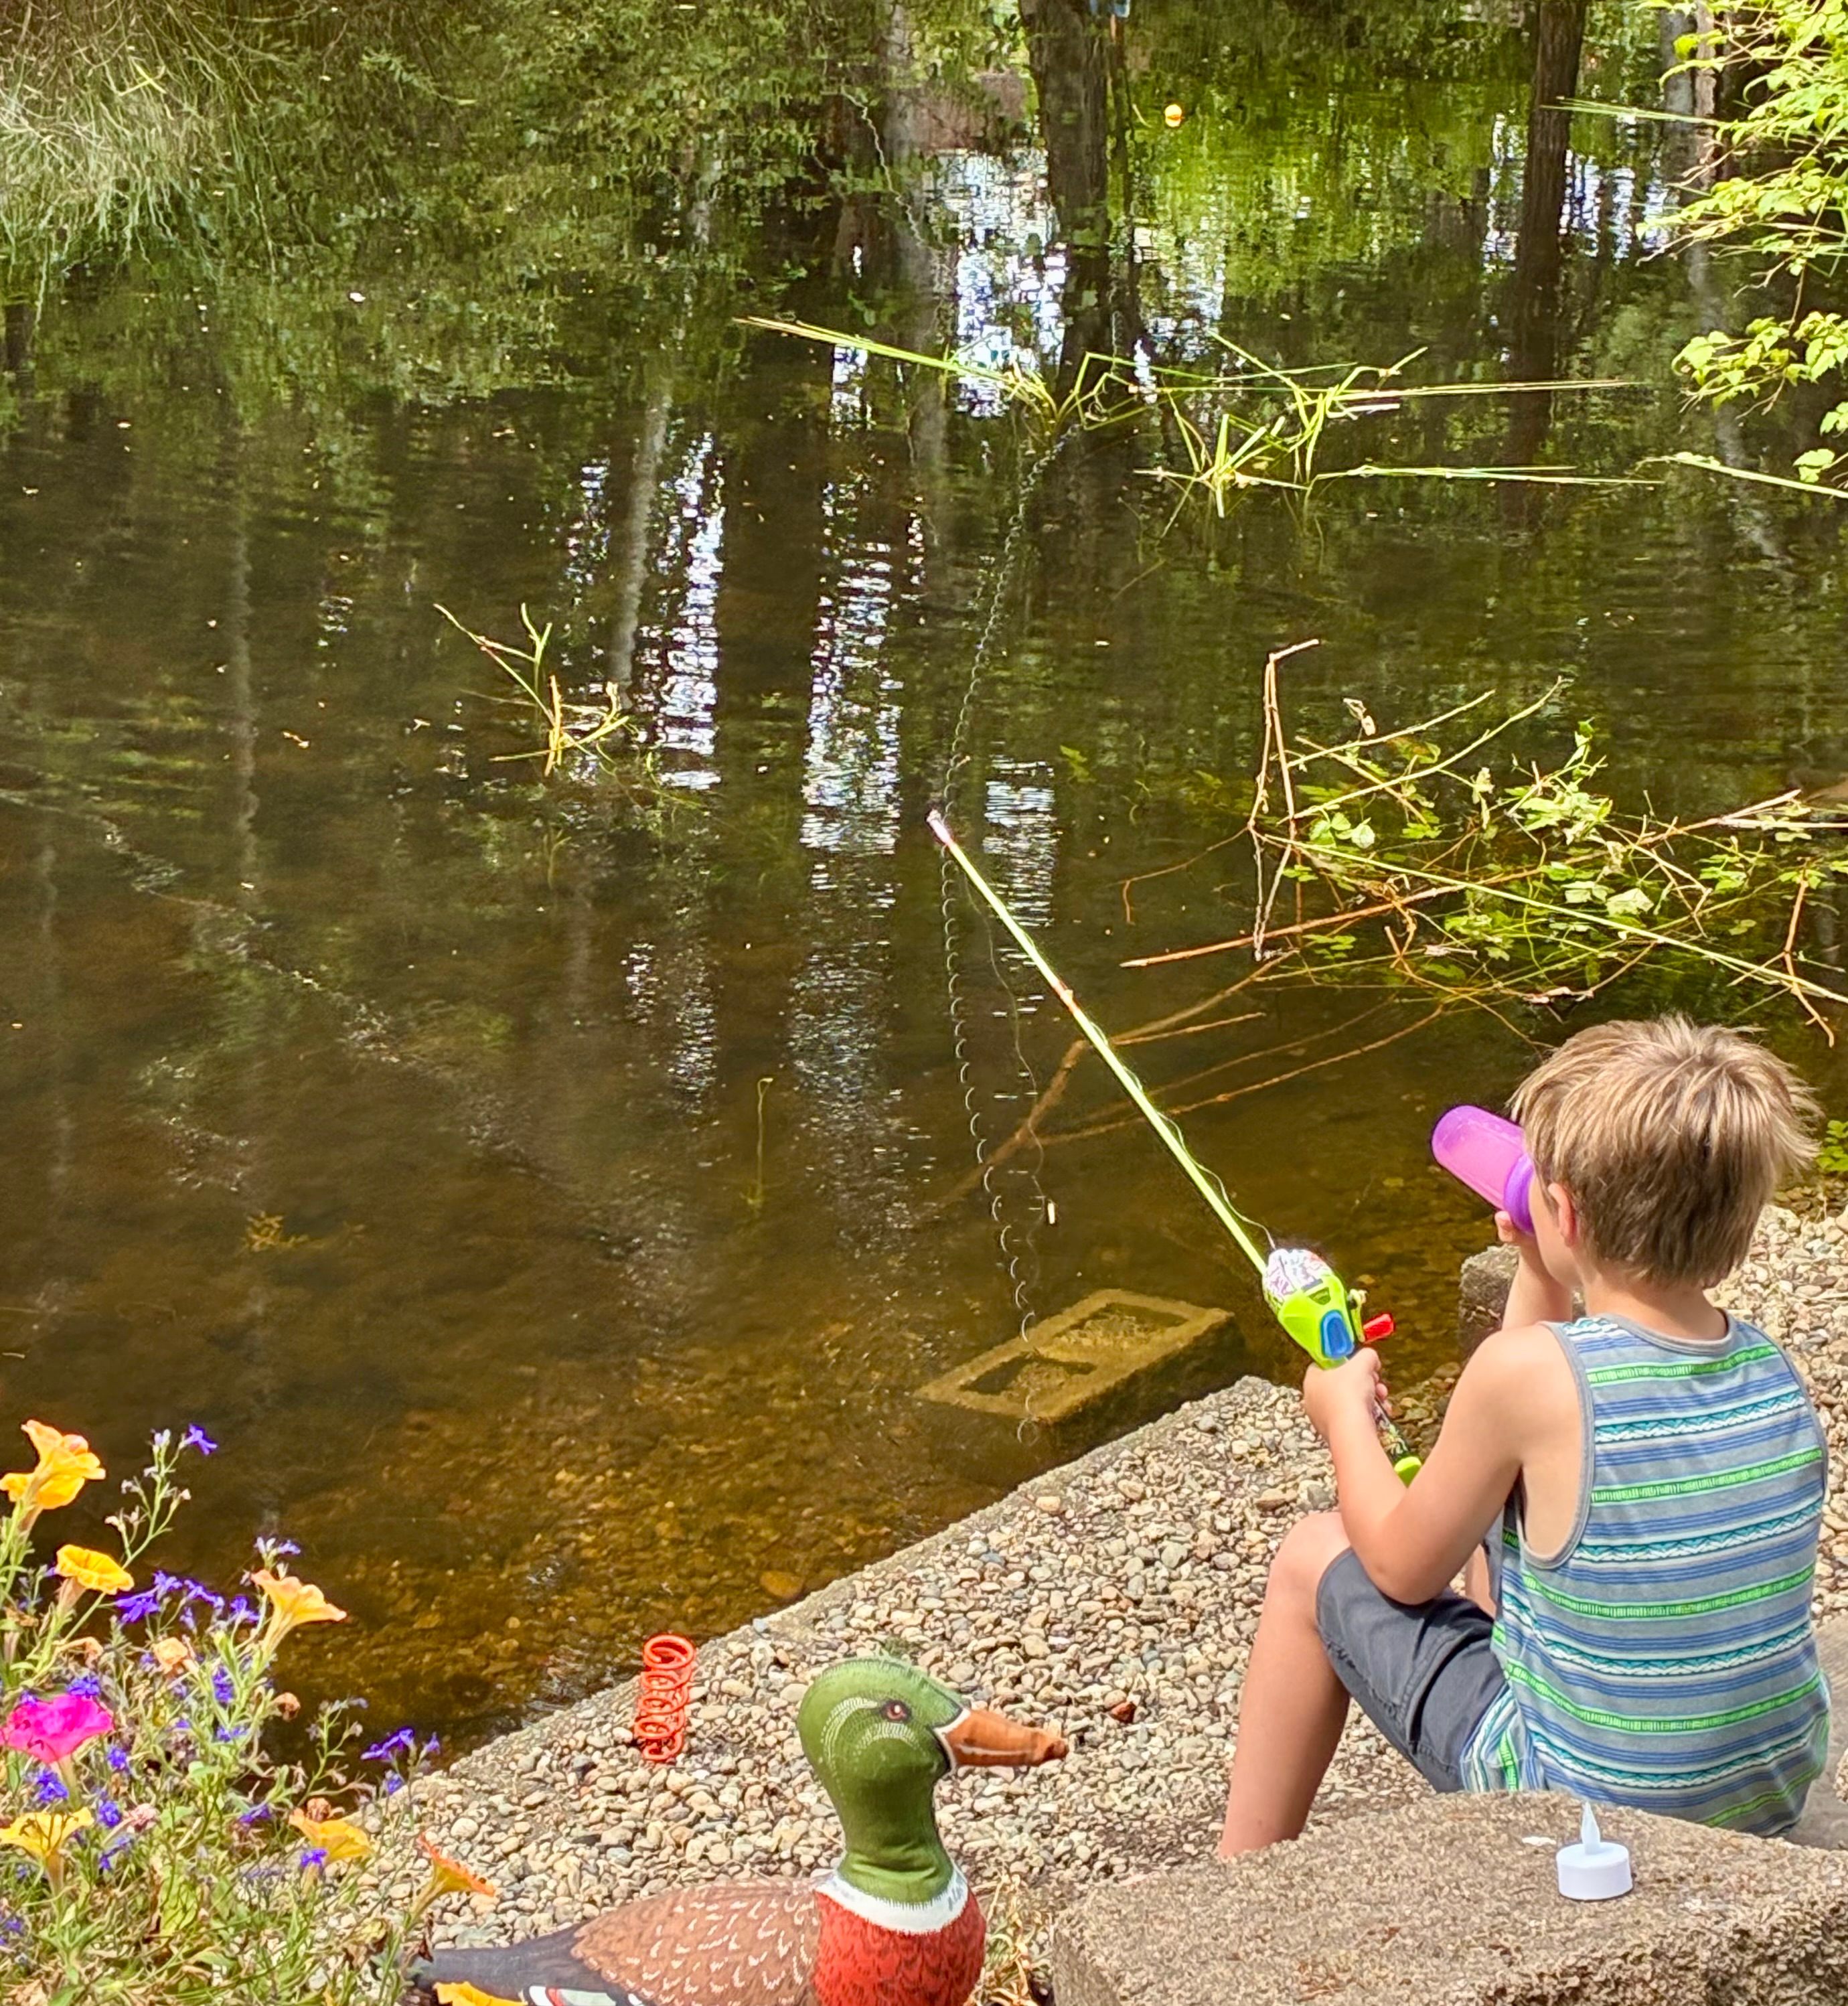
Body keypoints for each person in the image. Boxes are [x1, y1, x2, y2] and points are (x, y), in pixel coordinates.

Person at [1217, 1016, 1829, 1854]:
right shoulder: (1773, 1375)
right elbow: (1530, 1448)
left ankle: (1231, 1883)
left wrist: (1343, 1416)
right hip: (1760, 1796)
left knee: (1308, 1557)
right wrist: (1544, 1268)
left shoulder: (1524, 1379)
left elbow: (1400, 1563)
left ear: (1564, 1211)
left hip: (1587, 1813)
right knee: (1516, 1537)